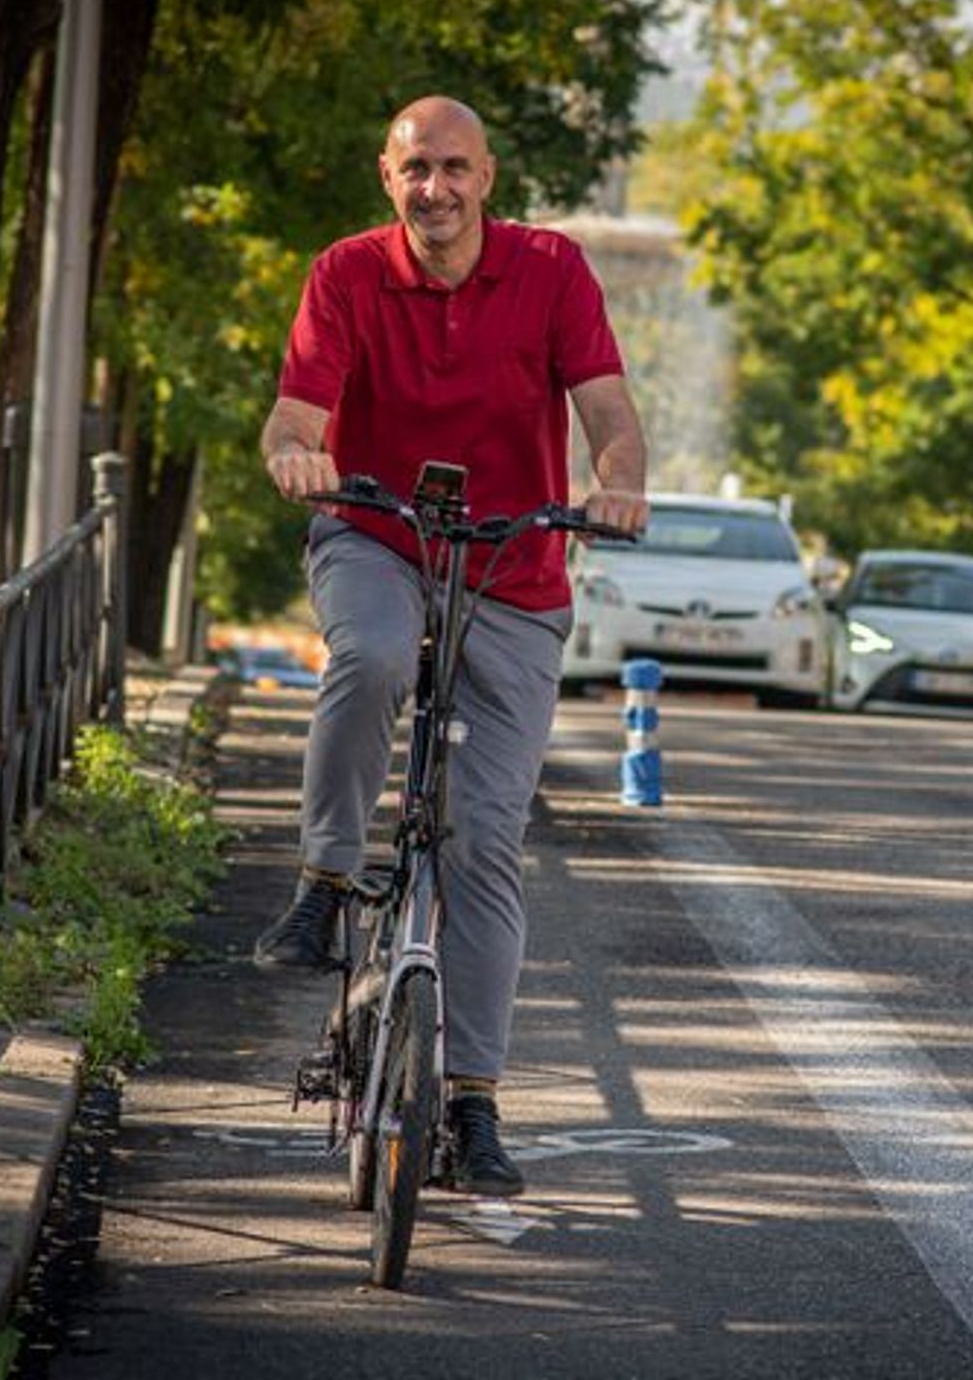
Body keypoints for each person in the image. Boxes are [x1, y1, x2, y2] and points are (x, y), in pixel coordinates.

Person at [250, 95, 649, 1197]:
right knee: (370, 656)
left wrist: (617, 480)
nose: (436, 188)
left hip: (512, 562)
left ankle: (471, 1102)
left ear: (489, 176)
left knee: (482, 841)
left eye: (455, 168)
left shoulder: (551, 270)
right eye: (416, 167)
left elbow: (608, 408)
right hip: (374, 528)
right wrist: (296, 457)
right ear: (388, 174)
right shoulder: (344, 273)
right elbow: (294, 416)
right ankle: (327, 877)